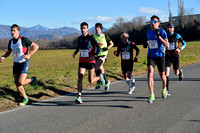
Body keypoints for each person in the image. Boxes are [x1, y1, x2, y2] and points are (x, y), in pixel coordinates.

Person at [0, 24, 39, 106]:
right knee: (16, 83)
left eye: (14, 30)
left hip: (24, 62)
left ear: (18, 31)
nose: (12, 32)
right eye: (11, 30)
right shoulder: (10, 42)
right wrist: (3, 57)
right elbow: (9, 51)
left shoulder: (23, 39)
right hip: (16, 63)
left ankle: (32, 80)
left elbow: (36, 46)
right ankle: (26, 98)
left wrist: (29, 54)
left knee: (21, 82)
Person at [72, 22, 105, 104]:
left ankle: (100, 77)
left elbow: (99, 48)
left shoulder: (91, 37)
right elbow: (78, 47)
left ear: (87, 29)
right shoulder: (79, 38)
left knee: (91, 81)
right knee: (80, 77)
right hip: (82, 61)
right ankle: (79, 96)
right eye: (81, 28)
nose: (83, 30)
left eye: (84, 28)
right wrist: (75, 53)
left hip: (90, 61)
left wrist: (95, 55)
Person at [144, 15, 169, 103]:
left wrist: (159, 37)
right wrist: (146, 43)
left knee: (162, 75)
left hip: (160, 56)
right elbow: (150, 42)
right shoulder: (148, 32)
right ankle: (151, 94)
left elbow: (167, 44)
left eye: (155, 22)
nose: (153, 24)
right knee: (150, 73)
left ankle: (164, 89)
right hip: (151, 56)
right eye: (151, 22)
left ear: (158, 23)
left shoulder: (162, 32)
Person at [165, 23, 187, 96]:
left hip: (175, 56)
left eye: (170, 27)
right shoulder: (165, 36)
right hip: (167, 56)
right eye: (168, 27)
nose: (169, 29)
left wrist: (180, 49)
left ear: (173, 28)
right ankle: (167, 90)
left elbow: (184, 43)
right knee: (166, 74)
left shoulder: (177, 35)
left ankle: (180, 72)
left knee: (176, 73)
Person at [93, 23, 114, 91]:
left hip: (103, 54)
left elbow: (112, 44)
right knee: (100, 69)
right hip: (96, 54)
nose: (97, 29)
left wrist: (107, 48)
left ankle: (99, 80)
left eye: (98, 28)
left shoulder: (104, 36)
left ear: (101, 29)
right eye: (96, 27)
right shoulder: (93, 36)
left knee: (97, 66)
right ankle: (106, 81)